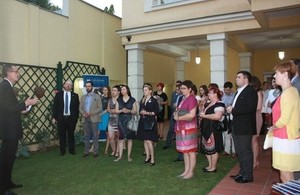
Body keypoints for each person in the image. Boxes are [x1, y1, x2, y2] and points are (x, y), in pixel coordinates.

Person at [0, 64, 38, 194]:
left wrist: (23, 107)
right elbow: (9, 108)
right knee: (6, 157)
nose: (18, 73)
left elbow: (10, 108)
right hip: (9, 130)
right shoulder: (5, 86)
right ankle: (3, 187)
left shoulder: (7, 86)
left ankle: (7, 182)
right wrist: (26, 103)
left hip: (10, 129)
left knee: (9, 157)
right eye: (16, 71)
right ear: (8, 73)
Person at [268, 61, 300, 183]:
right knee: (286, 176)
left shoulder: (289, 92)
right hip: (283, 136)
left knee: (286, 177)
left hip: (286, 137)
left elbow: (284, 119)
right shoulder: (289, 91)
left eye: (276, 73)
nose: (274, 76)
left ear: (285, 74)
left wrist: (273, 127)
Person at [227, 71, 258, 183]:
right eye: (236, 77)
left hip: (245, 126)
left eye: (239, 77)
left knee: (245, 151)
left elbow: (249, 108)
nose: (236, 79)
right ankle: (242, 172)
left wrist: (233, 110)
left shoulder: (250, 91)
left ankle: (248, 175)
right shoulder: (239, 91)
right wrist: (231, 108)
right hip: (237, 125)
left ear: (246, 79)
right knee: (239, 151)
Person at [174, 80, 198, 179]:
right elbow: (178, 111)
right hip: (181, 127)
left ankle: (191, 172)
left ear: (190, 89)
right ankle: (186, 171)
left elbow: (192, 115)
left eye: (184, 88)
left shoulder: (192, 99)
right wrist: (176, 114)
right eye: (181, 88)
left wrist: (178, 117)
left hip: (189, 128)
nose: (182, 90)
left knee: (191, 151)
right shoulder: (183, 98)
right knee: (185, 151)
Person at [200, 86, 225, 173]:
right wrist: (202, 103)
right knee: (207, 148)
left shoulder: (220, 104)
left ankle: (213, 167)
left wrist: (204, 116)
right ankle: (210, 165)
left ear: (215, 94)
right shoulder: (208, 103)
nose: (208, 94)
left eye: (210, 93)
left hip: (213, 129)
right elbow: (201, 111)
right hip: (206, 128)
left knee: (213, 149)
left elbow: (217, 116)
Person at [52, 80, 79, 156]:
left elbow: (77, 109)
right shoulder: (58, 95)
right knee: (62, 135)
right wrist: (54, 117)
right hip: (61, 119)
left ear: (72, 87)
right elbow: (55, 107)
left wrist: (75, 119)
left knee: (71, 135)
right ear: (64, 85)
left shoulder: (75, 95)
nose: (68, 85)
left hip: (71, 119)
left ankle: (72, 150)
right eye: (66, 84)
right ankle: (62, 151)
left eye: (70, 85)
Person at [137, 84, 159, 166]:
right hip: (143, 121)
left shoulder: (153, 100)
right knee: (145, 140)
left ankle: (152, 158)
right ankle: (147, 156)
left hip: (150, 122)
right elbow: (140, 110)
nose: (144, 91)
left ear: (150, 91)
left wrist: (147, 113)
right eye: (144, 90)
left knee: (149, 141)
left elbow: (156, 112)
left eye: (146, 90)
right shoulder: (143, 99)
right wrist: (141, 112)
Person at [114, 85, 137, 162]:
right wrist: (121, 110)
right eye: (121, 89)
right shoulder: (119, 100)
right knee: (121, 139)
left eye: (124, 89)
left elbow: (135, 111)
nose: (122, 91)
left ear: (127, 90)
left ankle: (129, 156)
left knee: (130, 139)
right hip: (121, 121)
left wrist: (129, 111)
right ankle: (120, 156)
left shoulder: (132, 100)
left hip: (129, 121)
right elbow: (116, 111)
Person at [80, 81, 103, 158]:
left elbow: (100, 108)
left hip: (94, 118)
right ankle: (86, 152)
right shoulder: (83, 97)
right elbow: (80, 108)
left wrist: (91, 113)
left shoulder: (97, 97)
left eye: (89, 86)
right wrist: (83, 113)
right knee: (86, 136)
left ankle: (95, 152)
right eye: (86, 86)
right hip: (85, 118)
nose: (87, 88)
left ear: (92, 87)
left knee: (95, 136)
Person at [163, 81, 181, 150]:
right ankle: (167, 144)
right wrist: (173, 107)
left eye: (178, 89)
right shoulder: (174, 94)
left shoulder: (183, 96)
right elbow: (171, 103)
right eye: (176, 89)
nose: (176, 91)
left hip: (180, 115)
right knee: (171, 129)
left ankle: (179, 145)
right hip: (174, 113)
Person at [250, 76, 263, 168]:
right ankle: (252, 159)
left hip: (256, 117)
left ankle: (255, 161)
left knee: (254, 139)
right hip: (250, 117)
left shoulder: (258, 93)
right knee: (250, 140)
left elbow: (259, 107)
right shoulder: (250, 92)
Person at [221, 81, 235, 157]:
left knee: (232, 134)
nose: (226, 91)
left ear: (231, 89)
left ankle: (234, 150)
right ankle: (226, 150)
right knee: (226, 133)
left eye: (228, 90)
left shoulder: (234, 96)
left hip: (232, 116)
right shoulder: (223, 97)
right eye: (225, 90)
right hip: (225, 116)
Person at [107, 85, 120, 157]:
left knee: (118, 136)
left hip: (119, 120)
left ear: (118, 92)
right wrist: (112, 110)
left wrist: (115, 110)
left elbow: (120, 110)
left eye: (115, 90)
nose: (113, 92)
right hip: (111, 120)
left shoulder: (120, 100)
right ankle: (114, 150)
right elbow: (108, 109)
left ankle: (117, 151)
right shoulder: (110, 100)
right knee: (110, 137)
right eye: (112, 90)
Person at [97, 86, 111, 155]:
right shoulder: (100, 98)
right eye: (103, 90)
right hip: (100, 116)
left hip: (106, 116)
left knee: (107, 134)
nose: (104, 91)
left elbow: (107, 110)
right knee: (97, 132)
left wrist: (100, 114)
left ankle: (106, 150)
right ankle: (93, 147)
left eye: (106, 90)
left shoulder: (109, 99)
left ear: (108, 91)